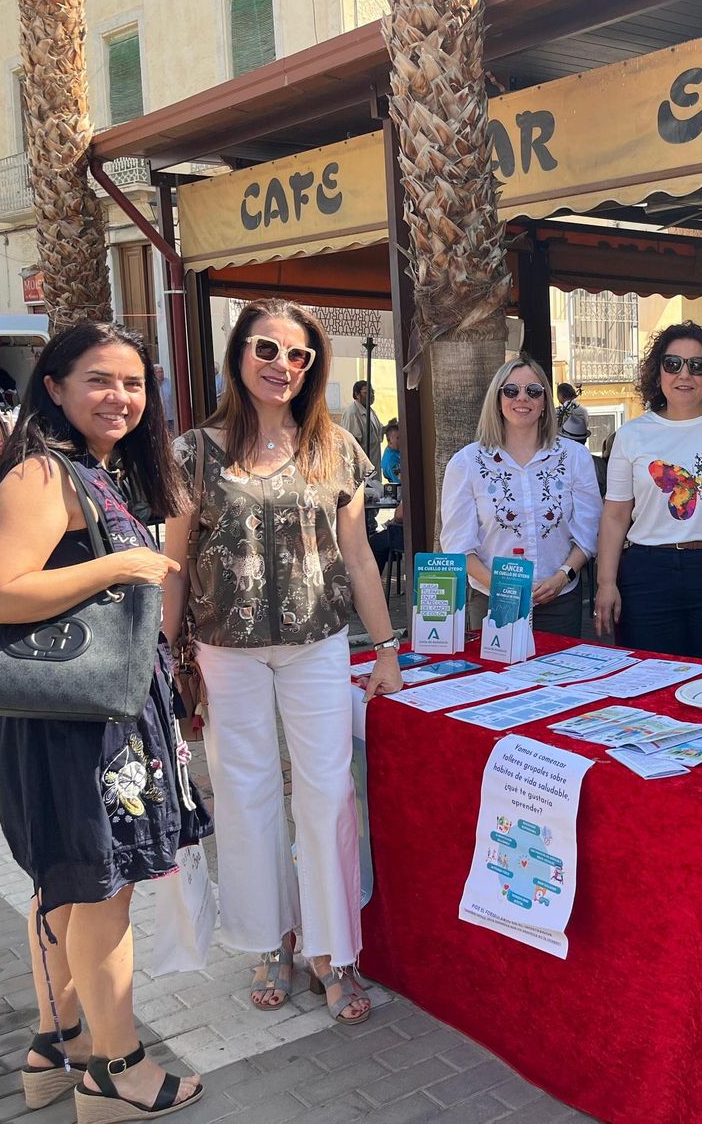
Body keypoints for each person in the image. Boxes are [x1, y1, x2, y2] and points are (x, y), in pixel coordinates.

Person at [0, 322, 206, 1118]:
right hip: (81, 725)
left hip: (83, 715)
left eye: (135, 383)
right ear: (55, 387)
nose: (121, 397)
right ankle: (118, 1068)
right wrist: (124, 563)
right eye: (101, 380)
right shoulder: (45, 476)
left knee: (69, 888)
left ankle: (55, 1044)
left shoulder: (86, 472)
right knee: (104, 894)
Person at [164, 299, 401, 1028]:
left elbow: (359, 556)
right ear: (239, 354)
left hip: (319, 643)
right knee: (245, 792)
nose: (282, 365)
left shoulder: (333, 449)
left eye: (298, 356)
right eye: (267, 348)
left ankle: (334, 949)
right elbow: (173, 562)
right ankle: (267, 940)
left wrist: (386, 649)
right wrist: (163, 655)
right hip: (223, 648)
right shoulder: (192, 452)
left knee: (329, 794)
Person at [596, 322, 702, 663]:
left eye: (697, 365)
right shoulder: (632, 435)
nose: (685, 374)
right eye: (673, 364)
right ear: (658, 373)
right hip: (648, 573)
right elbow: (615, 515)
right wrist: (605, 583)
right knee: (649, 678)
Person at [439, 357, 601, 637]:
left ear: (544, 402)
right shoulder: (466, 463)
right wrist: (503, 588)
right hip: (493, 602)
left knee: (561, 679)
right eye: (511, 390)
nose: (522, 398)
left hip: (560, 600)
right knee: (497, 681)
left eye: (533, 391)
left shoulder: (575, 457)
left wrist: (562, 577)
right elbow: (457, 546)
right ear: (498, 399)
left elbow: (589, 533)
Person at [341, 379, 384, 469]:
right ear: (357, 394)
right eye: (366, 393)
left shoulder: (370, 411)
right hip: (361, 468)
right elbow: (351, 443)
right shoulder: (352, 413)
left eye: (372, 392)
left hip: (374, 463)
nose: (371, 396)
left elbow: (378, 433)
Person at [381, 419, 402, 488]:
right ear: (389, 440)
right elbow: (401, 481)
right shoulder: (391, 460)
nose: (401, 440)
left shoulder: (395, 451)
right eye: (398, 438)